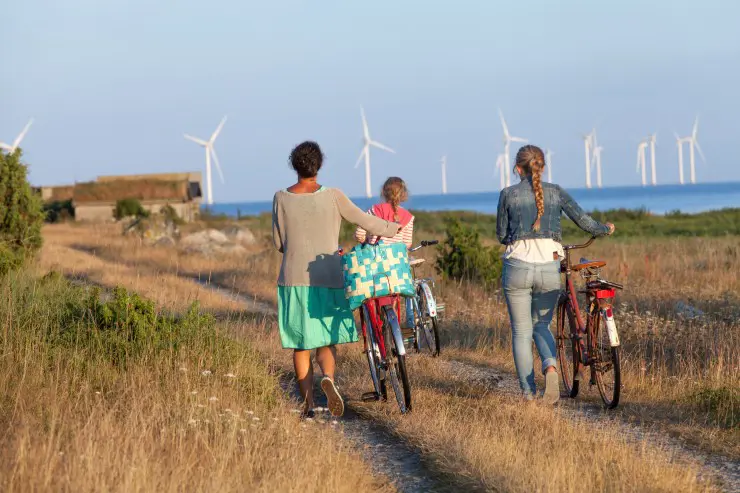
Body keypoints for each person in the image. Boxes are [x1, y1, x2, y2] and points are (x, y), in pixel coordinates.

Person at [272, 141, 400, 419]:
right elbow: (364, 220)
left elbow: (279, 243)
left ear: (295, 166)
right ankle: (328, 377)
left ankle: (308, 406)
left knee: (301, 345)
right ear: (318, 166)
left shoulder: (281, 198)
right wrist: (394, 228)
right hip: (329, 274)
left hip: (294, 280)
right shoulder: (333, 195)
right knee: (327, 342)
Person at [496, 145, 615, 404]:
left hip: (516, 267)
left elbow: (502, 236)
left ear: (517, 169)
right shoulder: (556, 192)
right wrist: (604, 228)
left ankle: (529, 394)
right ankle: (550, 368)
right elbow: (584, 222)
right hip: (549, 266)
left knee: (521, 331)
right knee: (541, 325)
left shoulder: (507, 194)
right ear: (543, 167)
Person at [354, 177, 416, 328]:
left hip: (375, 264)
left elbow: (359, 233)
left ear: (383, 192)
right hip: (396, 267)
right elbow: (407, 244)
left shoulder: (374, 211)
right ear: (403, 194)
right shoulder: (408, 217)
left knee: (374, 295)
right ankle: (394, 328)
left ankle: (378, 329)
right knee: (393, 295)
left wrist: (365, 241)